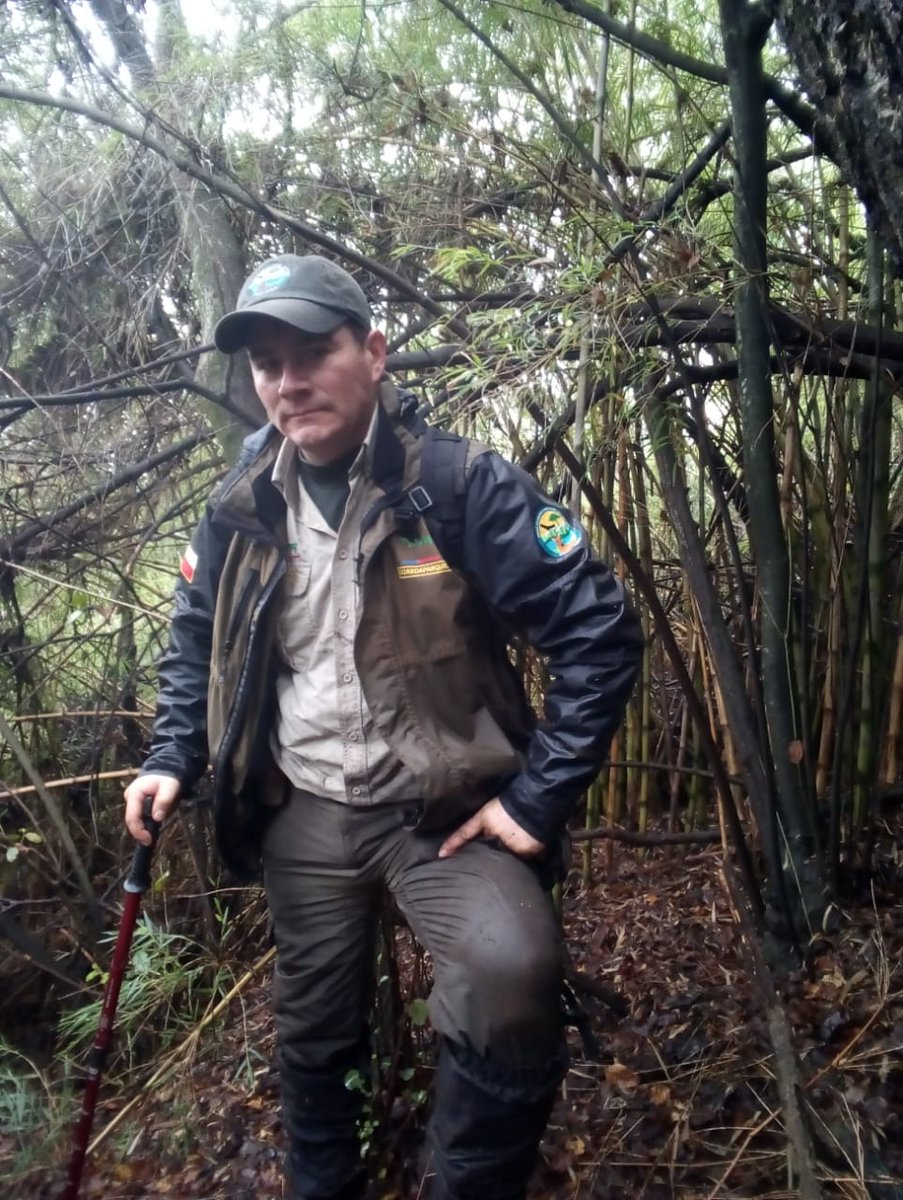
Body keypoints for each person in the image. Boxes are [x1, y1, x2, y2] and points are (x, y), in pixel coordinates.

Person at [124, 253, 643, 1200]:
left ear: (372, 352)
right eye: (267, 364)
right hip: (305, 804)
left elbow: (596, 632)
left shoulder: (456, 484)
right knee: (314, 1026)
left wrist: (536, 800)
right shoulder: (242, 503)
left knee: (510, 976)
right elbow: (197, 636)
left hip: (443, 811)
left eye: (311, 353)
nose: (289, 382)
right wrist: (171, 755)